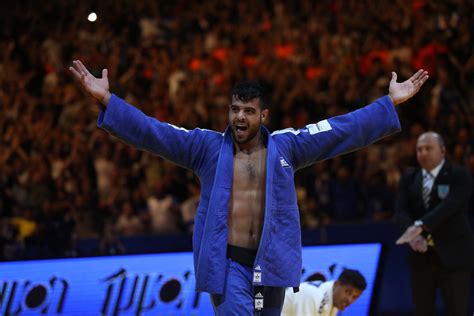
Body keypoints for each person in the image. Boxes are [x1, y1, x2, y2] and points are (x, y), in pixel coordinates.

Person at [69, 60, 428, 315]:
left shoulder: (288, 146)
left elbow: (339, 130)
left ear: (263, 116)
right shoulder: (206, 147)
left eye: (248, 111)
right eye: (235, 109)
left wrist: (388, 104)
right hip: (227, 265)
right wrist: (107, 101)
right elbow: (155, 133)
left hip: (270, 263)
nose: (240, 117)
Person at [395, 132, 474, 316]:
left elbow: (450, 206)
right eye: (419, 149)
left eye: (428, 148)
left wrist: (419, 227)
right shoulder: (408, 178)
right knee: (423, 311)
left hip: (453, 257)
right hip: (420, 259)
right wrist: (411, 234)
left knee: (457, 311)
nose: (423, 153)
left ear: (443, 151)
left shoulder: (459, 175)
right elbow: (401, 211)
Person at [281, 269, 366, 316]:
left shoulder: (334, 302)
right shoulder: (314, 295)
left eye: (355, 297)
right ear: (337, 284)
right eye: (348, 292)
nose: (349, 300)